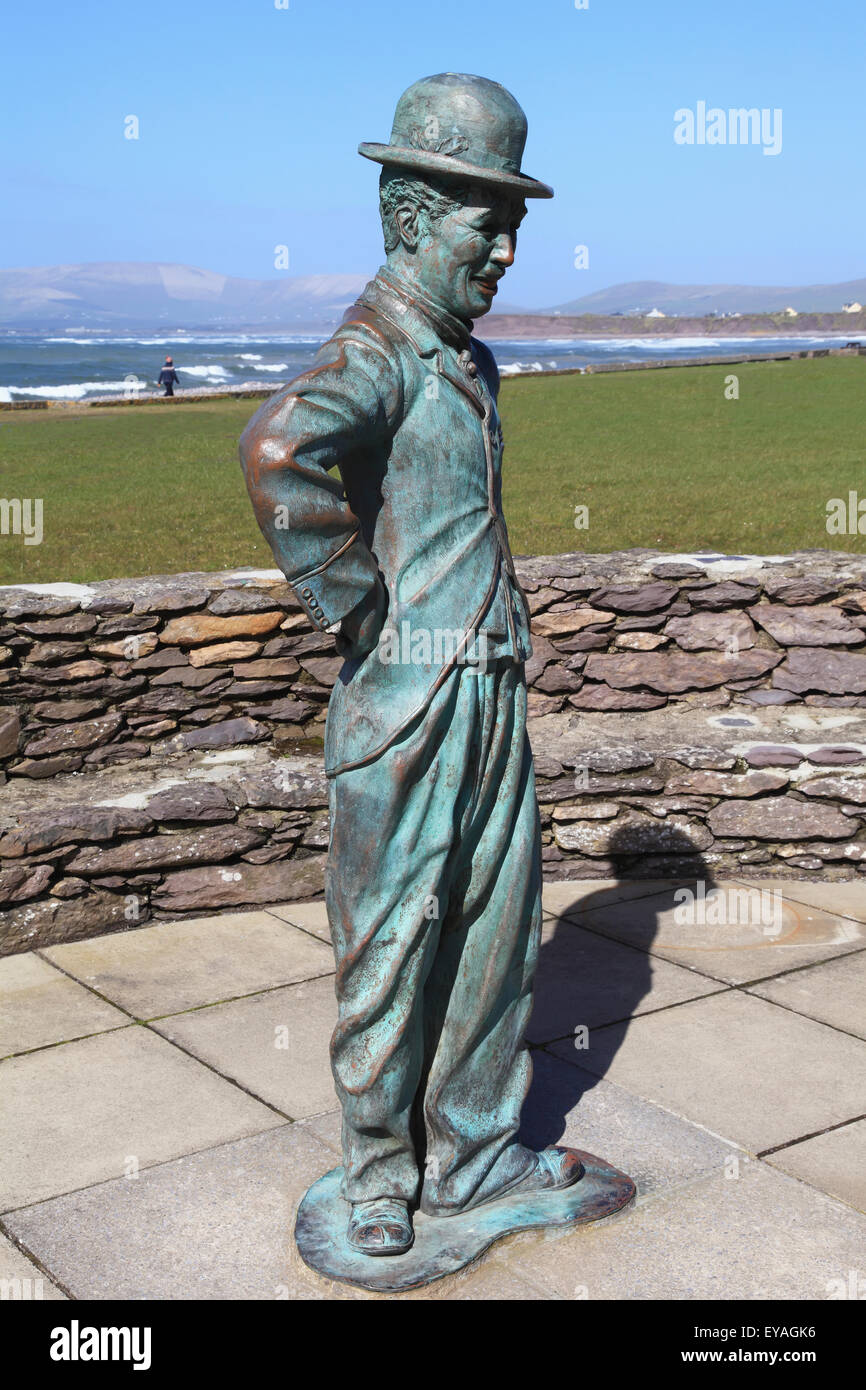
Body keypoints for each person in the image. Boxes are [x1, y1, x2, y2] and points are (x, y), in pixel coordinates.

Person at [240, 73, 581, 1258]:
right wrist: (355, 610)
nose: (502, 248)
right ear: (405, 219)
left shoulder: (468, 363)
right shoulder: (377, 348)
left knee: (491, 932)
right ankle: (381, 1171)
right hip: (408, 703)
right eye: (482, 222)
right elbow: (280, 452)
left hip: (487, 683)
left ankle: (477, 1150)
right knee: (389, 943)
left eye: (512, 226)